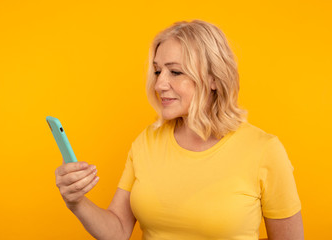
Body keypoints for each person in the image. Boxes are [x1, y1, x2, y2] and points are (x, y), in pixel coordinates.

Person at [55, 20, 304, 240]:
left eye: (175, 72)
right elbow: (118, 230)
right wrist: (76, 202)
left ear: (214, 79)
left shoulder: (264, 150)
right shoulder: (147, 142)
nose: (160, 83)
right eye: (157, 70)